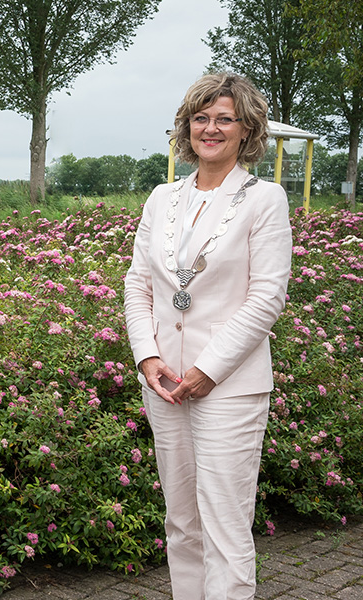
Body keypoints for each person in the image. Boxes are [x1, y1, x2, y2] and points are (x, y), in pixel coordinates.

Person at [124, 72, 292, 599]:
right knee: (181, 522)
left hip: (228, 386)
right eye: (201, 118)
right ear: (187, 127)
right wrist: (147, 356)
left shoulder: (266, 200)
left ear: (247, 130)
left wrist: (207, 370)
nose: (210, 129)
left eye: (224, 119)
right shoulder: (161, 197)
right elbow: (138, 283)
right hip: (165, 382)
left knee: (225, 524)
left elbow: (267, 297)